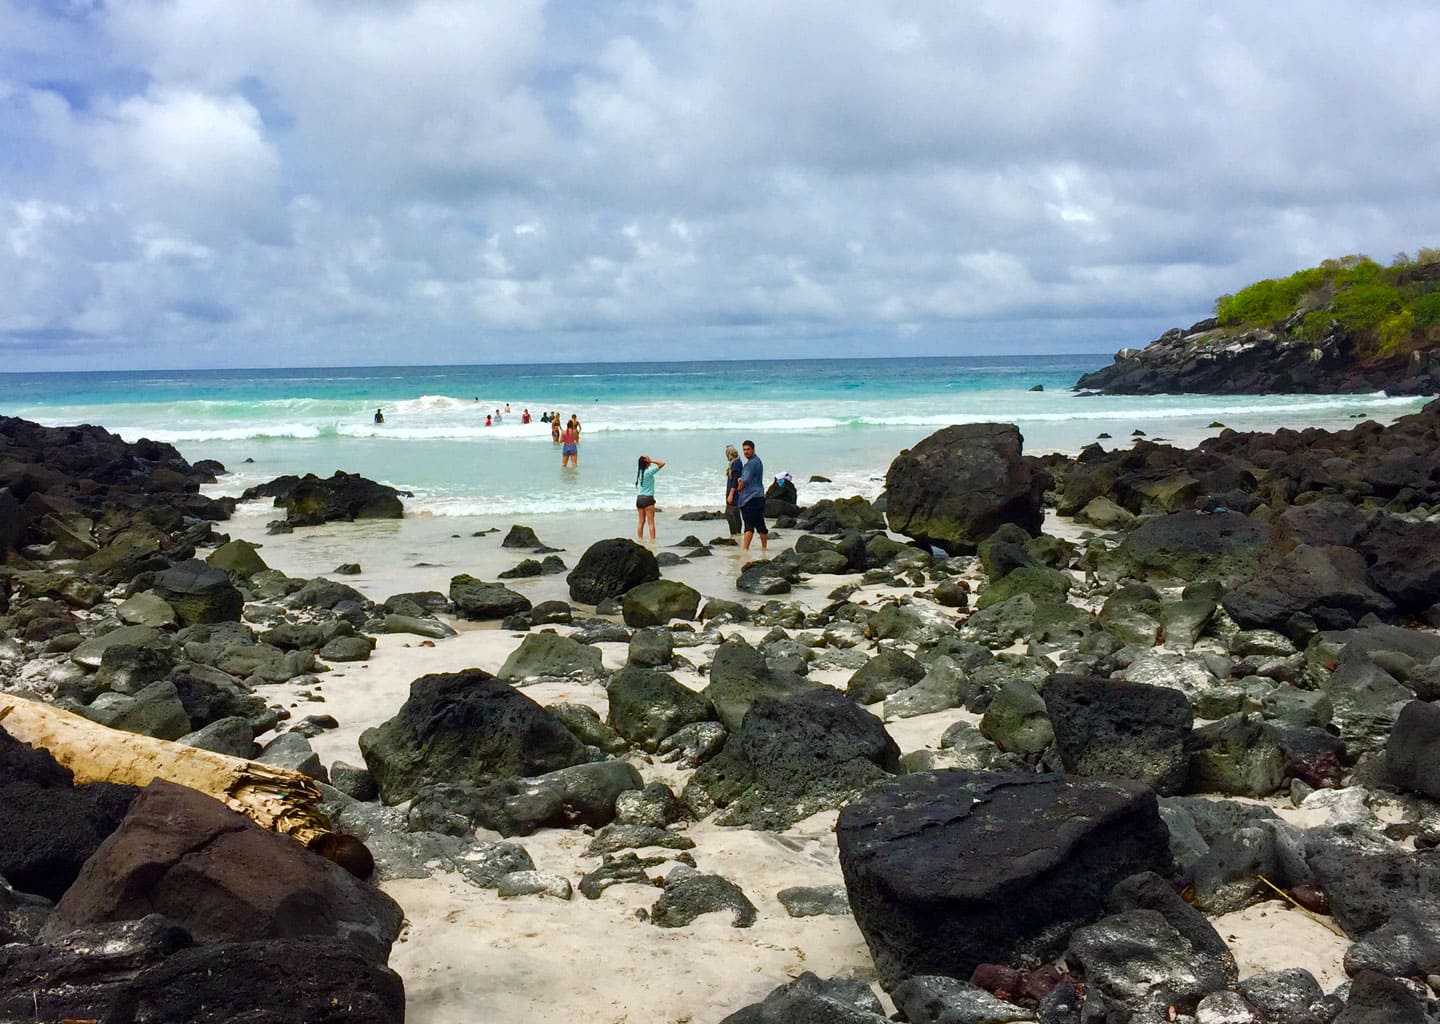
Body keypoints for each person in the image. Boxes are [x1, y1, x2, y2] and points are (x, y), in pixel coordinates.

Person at [736, 439, 768, 557]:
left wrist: (739, 487)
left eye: (748, 449)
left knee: (748, 525)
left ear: (753, 449)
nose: (746, 452)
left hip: (750, 498)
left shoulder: (751, 464)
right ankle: (764, 548)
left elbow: (745, 479)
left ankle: (745, 550)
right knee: (760, 523)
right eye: (744, 450)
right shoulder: (757, 461)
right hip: (759, 496)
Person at [635, 454, 666, 540]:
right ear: (646, 462)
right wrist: (651, 461)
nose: (650, 458)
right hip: (648, 498)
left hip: (639, 499)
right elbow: (662, 463)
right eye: (648, 458)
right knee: (651, 523)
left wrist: (648, 461)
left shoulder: (640, 473)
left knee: (641, 522)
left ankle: (640, 540)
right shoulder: (649, 472)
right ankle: (653, 542)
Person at [723, 444, 743, 536]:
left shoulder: (736, 464)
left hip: (734, 493)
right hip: (735, 493)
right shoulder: (736, 462)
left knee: (729, 513)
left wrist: (731, 494)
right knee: (736, 513)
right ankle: (737, 534)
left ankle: (734, 534)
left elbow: (735, 480)